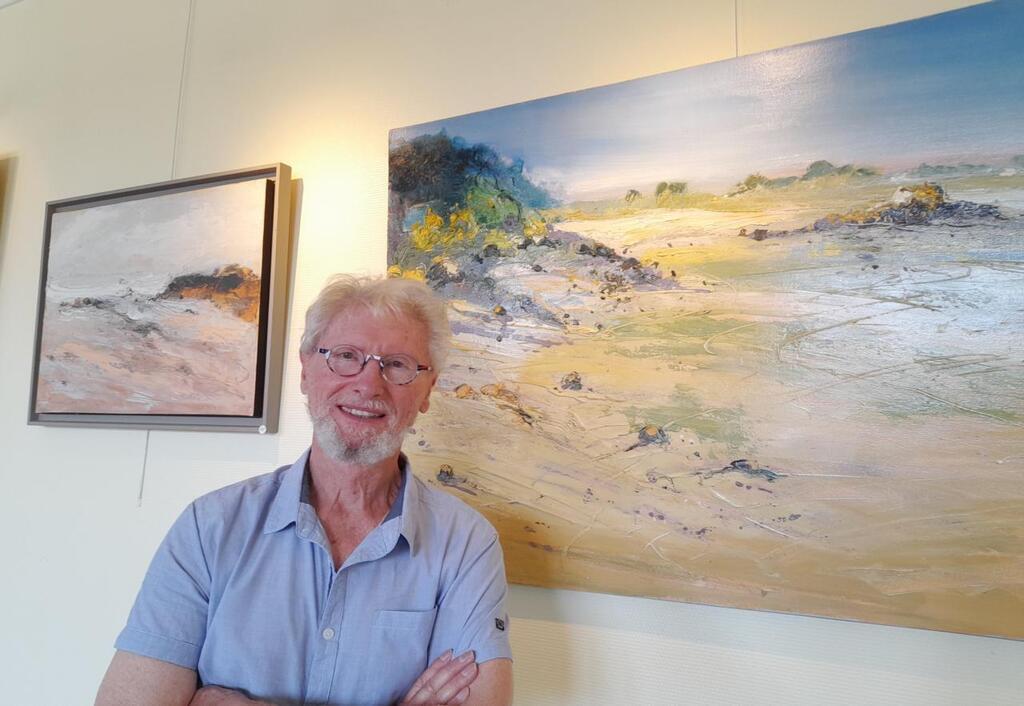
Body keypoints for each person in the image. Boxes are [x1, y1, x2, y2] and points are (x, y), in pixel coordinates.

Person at [96, 275, 513, 706]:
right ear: (305, 370)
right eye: (346, 356)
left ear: (428, 390)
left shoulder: (466, 545)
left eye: (398, 365)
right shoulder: (210, 528)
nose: (369, 384)